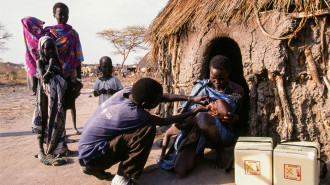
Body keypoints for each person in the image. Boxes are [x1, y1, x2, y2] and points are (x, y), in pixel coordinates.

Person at [78, 78, 209, 183]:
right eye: (157, 101)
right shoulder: (135, 114)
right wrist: (194, 110)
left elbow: (163, 96)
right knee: (146, 130)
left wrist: (190, 99)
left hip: (86, 152)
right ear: (145, 105)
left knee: (129, 131)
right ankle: (123, 177)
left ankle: (91, 167)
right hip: (94, 157)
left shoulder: (126, 93)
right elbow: (165, 121)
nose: (160, 101)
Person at [157, 55, 244, 178]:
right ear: (209, 72)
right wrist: (199, 108)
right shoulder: (201, 87)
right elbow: (183, 113)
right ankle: (195, 149)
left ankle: (219, 152)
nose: (217, 82)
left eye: (222, 78)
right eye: (213, 78)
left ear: (229, 73)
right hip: (195, 131)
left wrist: (235, 118)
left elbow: (239, 115)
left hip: (222, 134)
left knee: (203, 118)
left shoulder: (237, 91)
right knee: (180, 171)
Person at [22, 2, 84, 135]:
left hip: (69, 73)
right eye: (60, 14)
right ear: (54, 15)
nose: (63, 16)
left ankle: (66, 132)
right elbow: (41, 48)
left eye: (65, 14)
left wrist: (79, 77)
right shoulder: (48, 33)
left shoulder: (73, 34)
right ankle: (57, 135)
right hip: (54, 74)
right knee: (55, 105)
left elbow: (78, 56)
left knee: (69, 102)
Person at [32, 36, 68, 166]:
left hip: (57, 99)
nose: (51, 51)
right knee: (44, 119)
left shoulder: (58, 62)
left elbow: (63, 79)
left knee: (57, 121)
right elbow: (44, 79)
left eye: (53, 48)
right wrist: (51, 66)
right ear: (42, 49)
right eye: (48, 49)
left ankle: (56, 149)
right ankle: (41, 150)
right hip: (44, 98)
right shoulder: (40, 62)